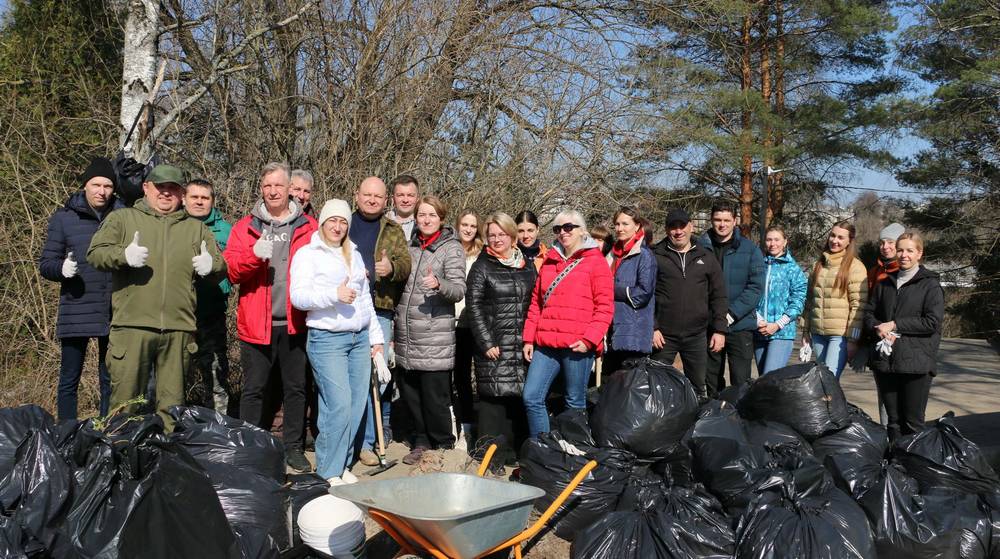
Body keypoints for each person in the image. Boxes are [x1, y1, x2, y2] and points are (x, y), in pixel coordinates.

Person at [87, 164, 225, 430]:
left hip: (179, 329)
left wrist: (213, 266)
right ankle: (118, 459)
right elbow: (95, 254)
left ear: (181, 193)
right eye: (160, 187)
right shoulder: (123, 219)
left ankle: (165, 463)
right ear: (146, 188)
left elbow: (220, 267)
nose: (165, 193)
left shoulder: (195, 229)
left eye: (172, 188)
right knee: (125, 405)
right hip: (132, 327)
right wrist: (123, 256)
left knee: (172, 409)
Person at [224, 162, 318, 471]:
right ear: (261, 188)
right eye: (267, 186)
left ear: (290, 188)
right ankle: (252, 447)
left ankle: (292, 447)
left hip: (295, 323)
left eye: (278, 185)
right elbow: (233, 271)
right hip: (256, 324)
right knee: (253, 390)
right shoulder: (244, 227)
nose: (272, 191)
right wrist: (254, 256)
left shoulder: (308, 226)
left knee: (295, 388)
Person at [290, 199, 385, 485]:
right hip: (327, 339)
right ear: (322, 222)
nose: (338, 226)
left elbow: (365, 298)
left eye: (343, 222)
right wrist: (334, 294)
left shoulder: (353, 254)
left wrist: (375, 338)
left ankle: (341, 464)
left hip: (358, 338)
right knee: (339, 404)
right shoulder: (308, 254)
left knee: (356, 406)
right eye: (333, 220)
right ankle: (328, 471)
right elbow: (299, 297)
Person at [39, 157, 122, 421]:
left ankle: (106, 431)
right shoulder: (64, 218)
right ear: (85, 186)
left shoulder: (123, 216)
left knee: (109, 378)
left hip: (114, 309)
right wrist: (61, 269)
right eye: (96, 184)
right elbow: (46, 263)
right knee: (69, 379)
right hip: (76, 307)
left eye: (107, 185)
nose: (102, 191)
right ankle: (66, 432)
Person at [522, 210, 613, 438]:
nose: (563, 233)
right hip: (546, 343)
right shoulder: (550, 261)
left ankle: (574, 452)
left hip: (577, 345)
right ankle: (543, 451)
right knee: (531, 396)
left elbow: (605, 306)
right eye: (557, 229)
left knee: (574, 402)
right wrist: (528, 338)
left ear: (582, 230)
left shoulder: (596, 262)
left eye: (568, 227)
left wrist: (589, 339)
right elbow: (536, 303)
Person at [395, 195, 467, 463]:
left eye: (432, 215)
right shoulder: (410, 247)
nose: (426, 220)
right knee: (411, 393)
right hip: (407, 334)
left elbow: (459, 290)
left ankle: (444, 448)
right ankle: (421, 441)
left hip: (435, 336)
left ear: (441, 219)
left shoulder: (451, 248)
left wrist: (439, 283)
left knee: (435, 399)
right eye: (422, 215)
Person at [348, 176, 411, 467]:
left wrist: (392, 268)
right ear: (357, 195)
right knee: (352, 377)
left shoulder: (393, 229)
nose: (372, 200)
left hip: (380, 309)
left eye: (378, 196)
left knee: (377, 375)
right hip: (346, 310)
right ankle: (348, 439)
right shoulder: (342, 224)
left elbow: (406, 265)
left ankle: (368, 442)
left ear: (385, 200)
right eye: (367, 194)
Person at [467, 212, 535, 470]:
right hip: (495, 343)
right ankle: (489, 457)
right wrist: (486, 342)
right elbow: (473, 307)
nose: (496, 239)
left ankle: (513, 454)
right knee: (493, 403)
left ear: (512, 236)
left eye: (501, 234)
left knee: (516, 399)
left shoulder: (526, 264)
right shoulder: (482, 266)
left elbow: (535, 302)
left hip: (522, 343)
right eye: (491, 235)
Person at [863, 231, 944, 440]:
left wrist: (895, 324)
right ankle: (895, 467)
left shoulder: (930, 284)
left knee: (913, 423)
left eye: (909, 250)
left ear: (919, 253)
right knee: (893, 422)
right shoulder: (885, 284)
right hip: (886, 363)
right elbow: (869, 314)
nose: (904, 255)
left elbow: (932, 322)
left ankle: (914, 468)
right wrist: (878, 327)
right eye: (900, 250)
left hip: (916, 364)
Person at [650, 209, 727, 401]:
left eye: (682, 226)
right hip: (663, 336)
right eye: (673, 227)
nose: (678, 231)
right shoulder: (655, 256)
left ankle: (696, 427)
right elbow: (646, 295)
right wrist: (652, 326)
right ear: (667, 230)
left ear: (691, 226)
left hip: (697, 336)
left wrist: (720, 330)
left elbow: (718, 296)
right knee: (658, 386)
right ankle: (661, 428)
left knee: (697, 387)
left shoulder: (706, 257)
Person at [699, 203, 764, 396]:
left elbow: (755, 288)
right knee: (710, 380)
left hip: (740, 325)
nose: (722, 224)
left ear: (734, 221)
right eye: (718, 220)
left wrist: (730, 314)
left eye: (727, 220)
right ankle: (714, 419)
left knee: (741, 382)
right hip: (709, 325)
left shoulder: (750, 249)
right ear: (711, 220)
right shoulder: (700, 247)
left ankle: (739, 422)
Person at [183, 178, 234, 414]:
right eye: (194, 197)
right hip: (178, 312)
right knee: (172, 375)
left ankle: (218, 428)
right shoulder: (172, 225)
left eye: (205, 198)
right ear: (184, 199)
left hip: (211, 312)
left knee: (215, 375)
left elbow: (234, 267)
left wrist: (221, 280)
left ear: (212, 201)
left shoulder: (225, 230)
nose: (199, 202)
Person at [802, 220, 868, 378]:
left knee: (829, 380)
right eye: (832, 235)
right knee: (819, 380)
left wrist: (853, 339)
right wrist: (805, 330)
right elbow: (810, 301)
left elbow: (858, 306)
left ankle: (833, 404)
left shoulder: (855, 267)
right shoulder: (819, 264)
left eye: (840, 237)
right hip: (818, 332)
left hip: (839, 336)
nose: (835, 241)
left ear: (849, 241)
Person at [603, 207, 657, 374]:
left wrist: (611, 290)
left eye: (625, 224)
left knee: (629, 389)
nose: (620, 229)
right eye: (617, 224)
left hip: (633, 333)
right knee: (610, 386)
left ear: (637, 226)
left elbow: (642, 294)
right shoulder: (612, 255)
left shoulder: (644, 256)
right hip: (611, 329)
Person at [753, 225, 807, 375]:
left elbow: (798, 302)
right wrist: (758, 320)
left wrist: (777, 324)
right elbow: (751, 294)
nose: (772, 244)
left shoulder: (793, 269)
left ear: (785, 242)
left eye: (777, 239)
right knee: (763, 382)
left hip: (782, 333)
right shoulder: (758, 265)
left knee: (770, 378)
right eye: (769, 240)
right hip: (759, 331)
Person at [453, 210, 483, 448]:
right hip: (448, 322)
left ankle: (471, 427)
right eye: (465, 224)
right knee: (453, 377)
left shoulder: (482, 254)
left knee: (472, 376)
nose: (469, 229)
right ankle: (455, 425)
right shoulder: (450, 248)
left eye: (473, 225)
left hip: (472, 322)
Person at [868, 222, 904, 291]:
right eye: (882, 243)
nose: (885, 247)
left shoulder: (906, 271)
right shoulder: (874, 271)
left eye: (890, 242)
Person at [386, 175, 419, 241]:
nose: (405, 200)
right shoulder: (380, 224)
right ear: (393, 199)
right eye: (400, 195)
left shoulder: (425, 225)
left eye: (410, 195)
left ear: (417, 199)